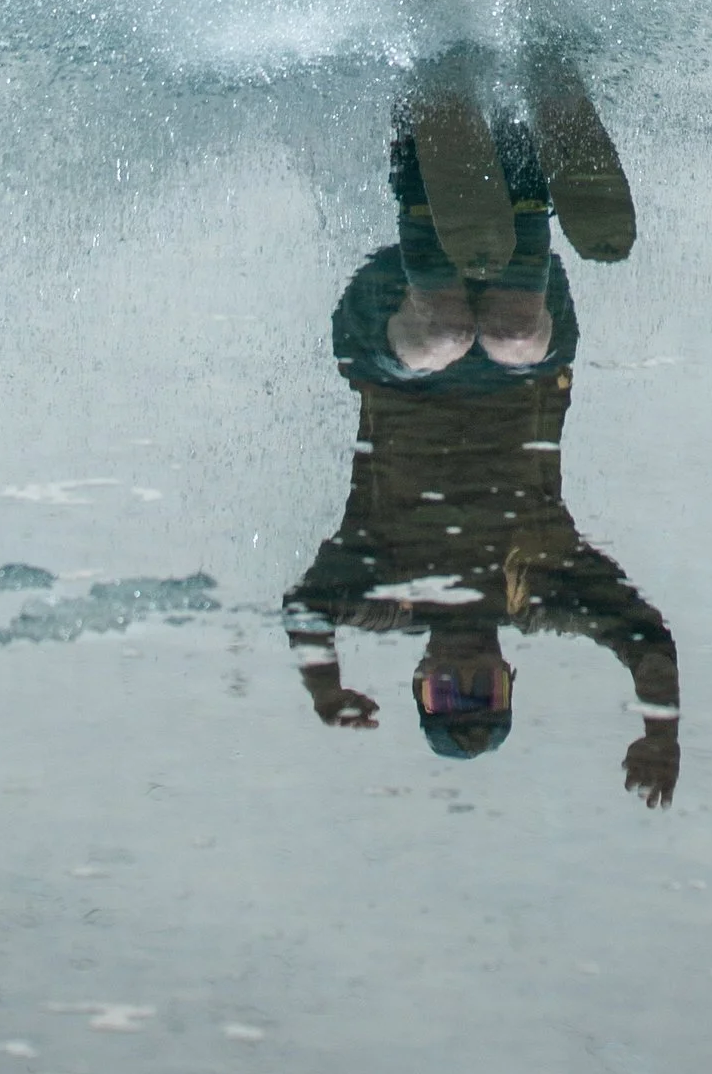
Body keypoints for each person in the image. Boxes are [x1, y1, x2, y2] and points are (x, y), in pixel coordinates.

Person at [282, 77, 680, 802]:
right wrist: (661, 730)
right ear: (507, 677)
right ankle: (520, 127)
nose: (463, 675)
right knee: (512, 337)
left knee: (444, 334)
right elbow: (645, 640)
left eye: (447, 691)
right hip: (525, 342)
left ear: (420, 680)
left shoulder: (388, 590)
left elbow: (306, 610)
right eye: (482, 690)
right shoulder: (543, 588)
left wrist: (324, 684)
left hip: (390, 343)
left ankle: (422, 122)